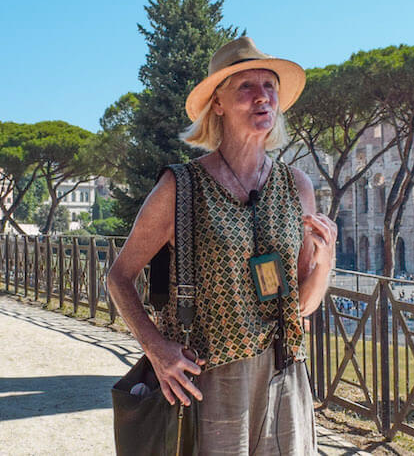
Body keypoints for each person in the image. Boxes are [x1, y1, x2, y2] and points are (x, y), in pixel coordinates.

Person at [107, 36, 337, 454]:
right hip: (208, 379)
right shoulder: (181, 186)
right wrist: (156, 350)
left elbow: (302, 304)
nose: (262, 97)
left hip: (285, 371)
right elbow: (119, 277)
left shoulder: (296, 186)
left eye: (270, 86)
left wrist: (325, 259)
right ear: (218, 104)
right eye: (246, 87)